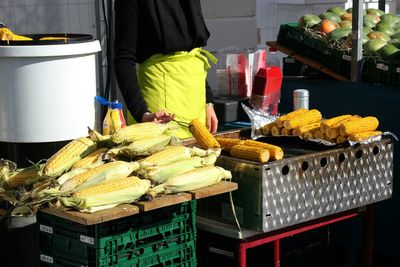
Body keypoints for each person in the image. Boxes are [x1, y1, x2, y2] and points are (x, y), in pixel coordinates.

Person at [114, 0, 218, 138]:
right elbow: (123, 58)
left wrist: (208, 102)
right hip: (159, 106)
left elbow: (192, 53)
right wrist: (141, 113)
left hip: (196, 102)